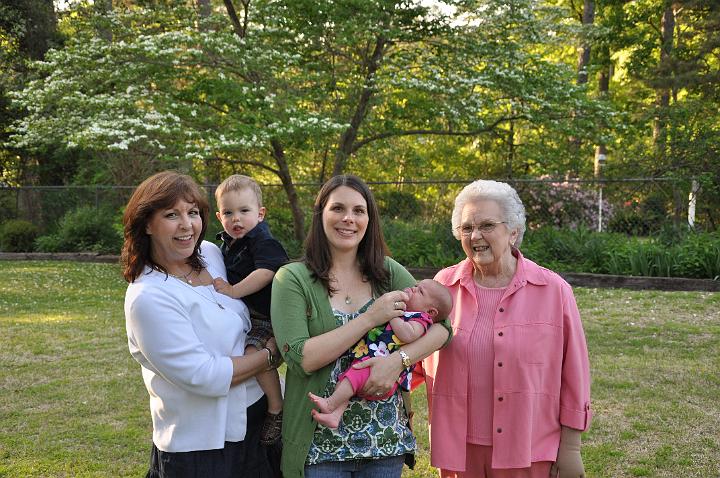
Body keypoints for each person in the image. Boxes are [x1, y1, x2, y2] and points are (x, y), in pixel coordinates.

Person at [270, 174, 452, 478]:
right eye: (337, 208)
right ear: (321, 215)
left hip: (384, 442)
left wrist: (397, 361)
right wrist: (370, 318)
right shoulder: (292, 279)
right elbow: (302, 358)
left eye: (358, 210)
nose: (348, 219)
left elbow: (442, 328)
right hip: (320, 448)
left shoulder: (387, 272)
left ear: (369, 219)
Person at [417, 179, 592, 478]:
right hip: (459, 453)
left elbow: (574, 373)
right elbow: (415, 357)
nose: (475, 236)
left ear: (513, 231)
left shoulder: (553, 290)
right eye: (466, 227)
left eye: (486, 225)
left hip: (528, 450)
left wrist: (571, 448)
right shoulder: (442, 287)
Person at [122, 171, 278, 477]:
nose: (187, 225)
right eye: (171, 215)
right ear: (146, 225)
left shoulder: (210, 253)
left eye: (192, 213)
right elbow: (205, 376)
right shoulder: (149, 297)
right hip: (201, 448)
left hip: (256, 427)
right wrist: (270, 355)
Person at [308, 279, 452, 429]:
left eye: (420, 291)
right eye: (416, 286)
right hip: (370, 361)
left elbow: (407, 334)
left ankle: (330, 404)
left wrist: (391, 315)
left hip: (381, 371)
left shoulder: (421, 319)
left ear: (431, 312)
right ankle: (335, 415)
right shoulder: (407, 310)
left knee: (350, 380)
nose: (414, 289)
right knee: (345, 380)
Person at [211, 174, 289, 446]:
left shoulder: (263, 242)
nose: (236, 219)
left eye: (244, 211)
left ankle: (276, 409)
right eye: (229, 212)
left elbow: (266, 273)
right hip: (248, 316)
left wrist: (233, 291)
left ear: (260, 214)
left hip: (270, 316)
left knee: (254, 355)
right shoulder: (227, 244)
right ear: (219, 216)